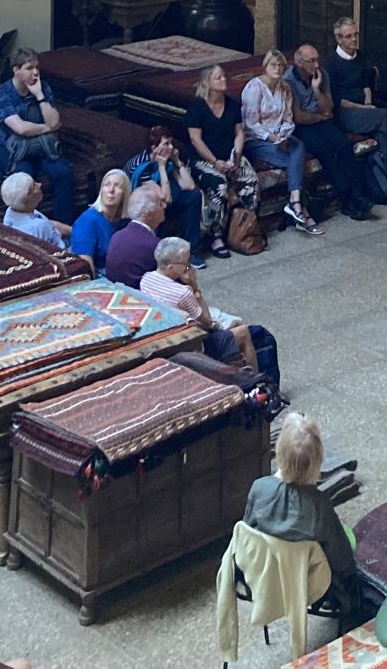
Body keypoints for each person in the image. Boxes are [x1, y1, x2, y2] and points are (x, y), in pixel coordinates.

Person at [242, 413, 359, 625]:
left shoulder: (259, 488)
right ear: (318, 462)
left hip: (263, 577)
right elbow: (342, 560)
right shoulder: (320, 505)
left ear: (278, 454)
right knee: (347, 541)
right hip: (306, 585)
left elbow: (247, 532)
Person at [325, 15, 387, 210]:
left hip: (366, 111)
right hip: (346, 113)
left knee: (384, 137)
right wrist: (364, 108)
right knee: (383, 115)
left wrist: (368, 102)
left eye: (355, 35)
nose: (353, 39)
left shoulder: (361, 57)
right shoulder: (331, 64)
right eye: (348, 36)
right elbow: (336, 99)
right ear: (339, 39)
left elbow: (367, 83)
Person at [139, 236, 259, 372]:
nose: (189, 267)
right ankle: (256, 380)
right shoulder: (183, 293)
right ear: (171, 267)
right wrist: (194, 287)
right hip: (192, 346)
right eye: (186, 263)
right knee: (243, 331)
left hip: (165, 336)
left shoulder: (146, 279)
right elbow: (207, 322)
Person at [285, 44, 373, 222]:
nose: (316, 65)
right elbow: (298, 117)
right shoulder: (288, 81)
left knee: (343, 144)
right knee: (323, 149)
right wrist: (320, 116)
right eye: (311, 61)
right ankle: (349, 197)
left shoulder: (322, 75)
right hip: (301, 127)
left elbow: (329, 108)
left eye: (317, 59)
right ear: (299, 62)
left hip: (321, 121)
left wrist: (317, 90)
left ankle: (356, 194)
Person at [242, 50, 323, 236]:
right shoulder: (254, 88)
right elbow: (251, 124)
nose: (277, 69)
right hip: (257, 139)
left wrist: (283, 136)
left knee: (299, 147)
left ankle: (294, 202)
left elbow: (288, 118)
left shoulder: (285, 88)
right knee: (295, 162)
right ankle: (301, 209)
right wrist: (272, 138)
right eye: (273, 65)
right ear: (265, 66)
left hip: (280, 135)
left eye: (280, 66)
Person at [0, 48, 73, 223]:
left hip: (39, 145)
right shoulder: (4, 94)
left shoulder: (43, 88)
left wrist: (40, 96)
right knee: (24, 179)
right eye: (29, 68)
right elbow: (20, 128)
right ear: (16, 70)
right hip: (8, 148)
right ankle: (28, 226)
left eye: (37, 68)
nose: (35, 73)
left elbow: (55, 120)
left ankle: (62, 227)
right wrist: (48, 128)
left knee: (64, 173)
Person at [186, 64, 262, 257]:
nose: (224, 80)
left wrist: (236, 156)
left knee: (251, 180)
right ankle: (216, 235)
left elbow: (239, 132)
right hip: (204, 158)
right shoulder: (197, 107)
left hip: (228, 155)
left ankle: (246, 226)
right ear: (208, 83)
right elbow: (196, 140)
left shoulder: (232, 104)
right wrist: (215, 162)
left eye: (223, 76)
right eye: (218, 78)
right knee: (219, 185)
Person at [126, 125, 208, 263]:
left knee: (194, 196)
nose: (171, 148)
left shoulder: (168, 158)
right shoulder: (140, 167)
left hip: (165, 198)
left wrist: (177, 162)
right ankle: (154, 257)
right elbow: (164, 198)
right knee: (155, 206)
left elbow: (190, 186)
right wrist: (162, 167)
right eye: (166, 144)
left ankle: (191, 250)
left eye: (171, 143)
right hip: (148, 206)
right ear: (154, 148)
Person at [70, 169, 131, 275]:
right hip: (98, 275)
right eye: (107, 185)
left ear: (125, 193)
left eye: (117, 186)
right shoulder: (88, 220)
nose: (111, 190)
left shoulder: (125, 222)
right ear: (101, 190)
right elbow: (85, 264)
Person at [105, 185, 165, 290]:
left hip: (116, 295)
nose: (164, 206)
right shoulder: (155, 246)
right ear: (149, 214)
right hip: (143, 300)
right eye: (160, 203)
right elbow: (176, 278)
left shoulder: (117, 236)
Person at [0, 172, 67, 249]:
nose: (40, 184)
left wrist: (74, 231)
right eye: (34, 186)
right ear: (26, 199)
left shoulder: (13, 209)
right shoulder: (38, 226)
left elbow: (50, 224)